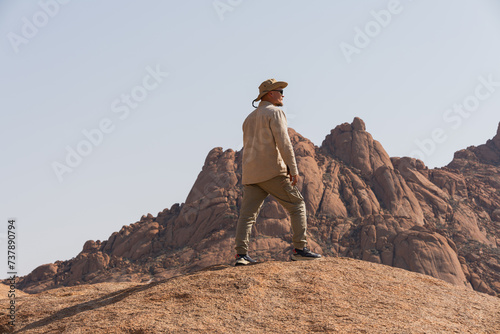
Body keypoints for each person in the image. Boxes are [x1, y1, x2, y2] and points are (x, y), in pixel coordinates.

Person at [234, 78, 321, 266]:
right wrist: (293, 168)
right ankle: (299, 249)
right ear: (270, 94)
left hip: (251, 174)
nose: (283, 95)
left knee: (247, 215)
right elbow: (284, 142)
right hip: (272, 171)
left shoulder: (248, 118)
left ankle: (241, 255)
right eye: (280, 91)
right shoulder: (275, 112)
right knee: (297, 205)